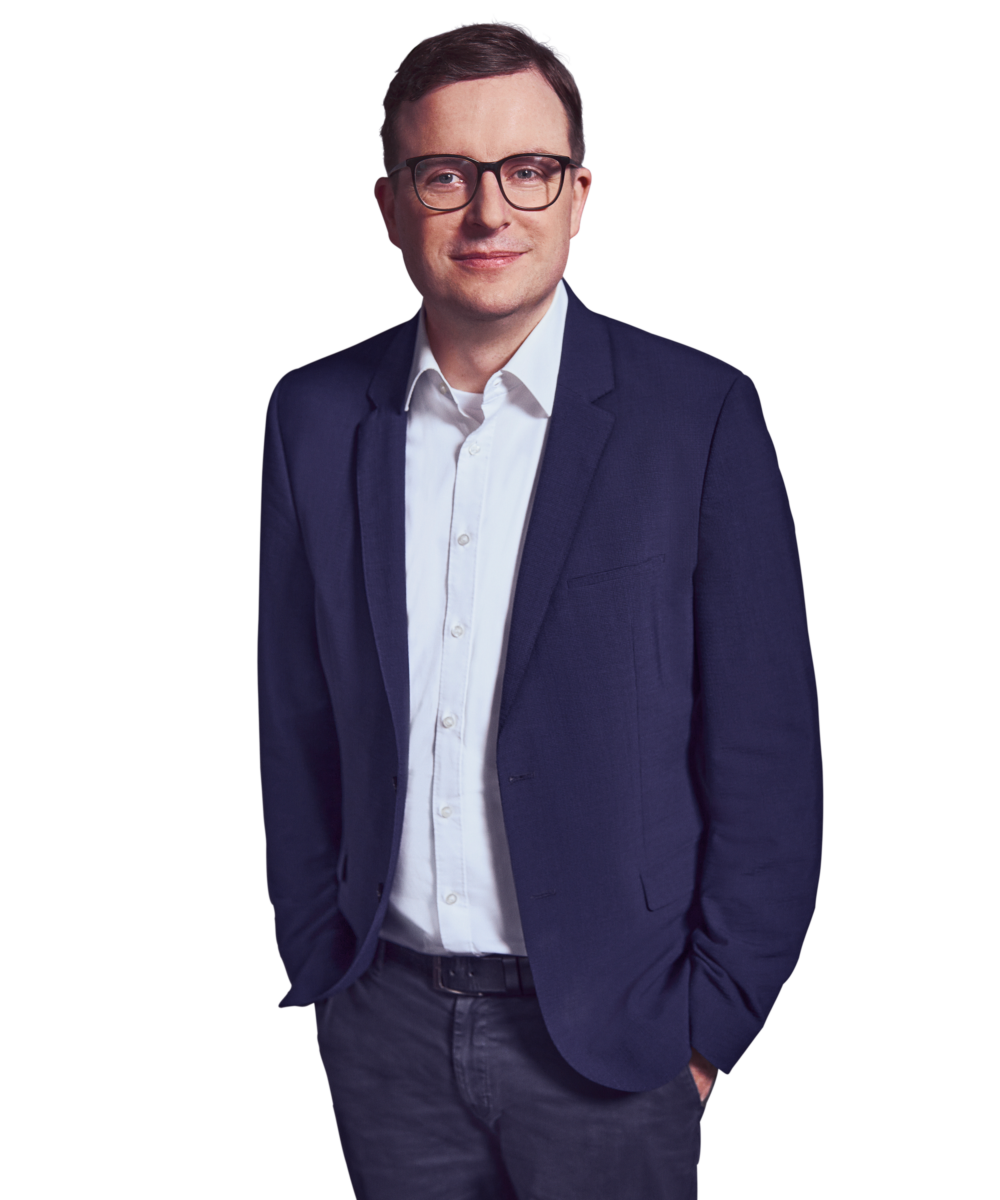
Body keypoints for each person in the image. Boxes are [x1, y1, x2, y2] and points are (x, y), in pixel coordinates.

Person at [257, 18, 824, 1199]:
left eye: (526, 170)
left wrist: (709, 1030)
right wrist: (321, 954)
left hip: (620, 1038)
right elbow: (294, 717)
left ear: (576, 197)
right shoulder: (309, 415)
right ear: (389, 204)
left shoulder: (697, 415)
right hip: (383, 1027)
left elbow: (766, 757)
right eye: (443, 174)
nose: (487, 212)